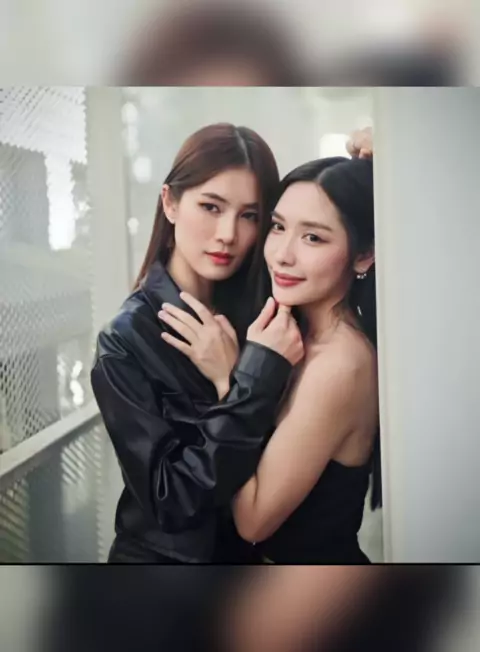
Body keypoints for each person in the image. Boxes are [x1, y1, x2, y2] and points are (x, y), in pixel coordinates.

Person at [91, 122, 304, 563]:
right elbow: (172, 499)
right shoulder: (125, 339)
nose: (228, 233)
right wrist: (244, 385)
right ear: (170, 203)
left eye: (249, 215)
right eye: (211, 206)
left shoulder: (267, 317)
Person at [161, 155, 379, 563]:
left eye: (312, 238)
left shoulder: (340, 366)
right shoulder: (294, 335)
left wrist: (231, 380)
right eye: (278, 227)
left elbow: (252, 523)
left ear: (363, 255)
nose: (282, 255)